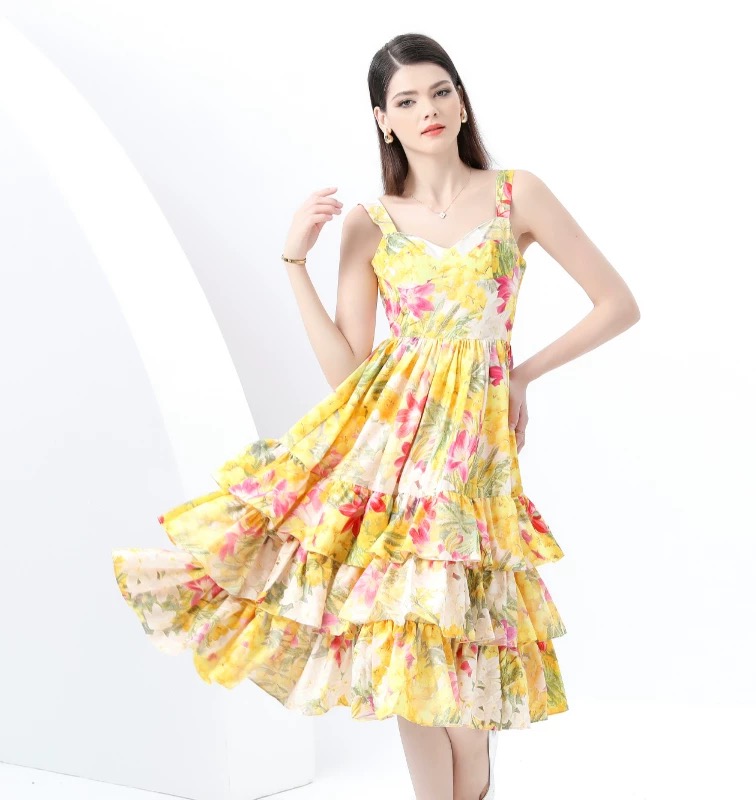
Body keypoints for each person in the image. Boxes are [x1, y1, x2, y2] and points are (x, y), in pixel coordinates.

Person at [111, 32, 640, 800]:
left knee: (465, 674)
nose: (428, 109)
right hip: (391, 456)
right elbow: (348, 369)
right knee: (404, 655)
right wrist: (294, 263)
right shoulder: (370, 223)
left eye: (440, 91)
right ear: (382, 121)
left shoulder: (515, 195)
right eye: (407, 100)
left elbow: (617, 304)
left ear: (462, 102)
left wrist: (521, 374)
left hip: (475, 460)